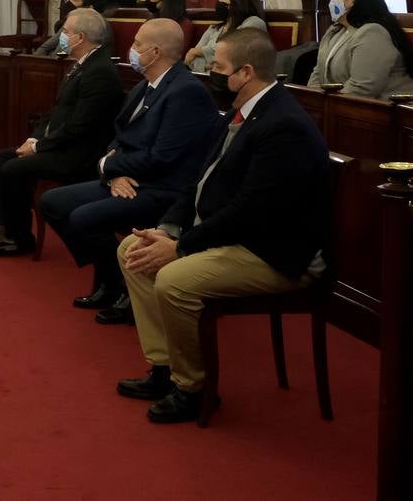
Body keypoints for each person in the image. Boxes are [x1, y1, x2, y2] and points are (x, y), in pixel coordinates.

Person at [117, 29, 329, 423]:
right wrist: (167, 228)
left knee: (174, 279)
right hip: (234, 235)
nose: (210, 73)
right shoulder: (240, 111)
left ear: (246, 72)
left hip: (274, 252)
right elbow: (199, 181)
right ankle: (164, 368)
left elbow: (251, 210)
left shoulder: (282, 125)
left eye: (218, 67)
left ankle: (193, 388)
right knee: (131, 251)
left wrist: (181, 247)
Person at [38, 18, 220, 325]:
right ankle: (114, 280)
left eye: (136, 44)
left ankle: (125, 288)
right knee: (52, 203)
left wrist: (110, 165)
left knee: (84, 218)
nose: (130, 49)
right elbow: (118, 137)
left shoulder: (185, 91)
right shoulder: (142, 86)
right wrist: (112, 173)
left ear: (156, 51)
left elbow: (162, 158)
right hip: (126, 179)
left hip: (162, 188)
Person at [0, 9, 125, 256]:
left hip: (78, 154)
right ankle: (7, 231)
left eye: (66, 32)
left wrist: (38, 148)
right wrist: (34, 138)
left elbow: (79, 127)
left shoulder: (100, 72)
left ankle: (19, 238)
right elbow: (56, 112)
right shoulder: (81, 64)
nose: (61, 36)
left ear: (80, 37)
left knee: (12, 168)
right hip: (59, 144)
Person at [308, 0, 413, 105]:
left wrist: (324, 104)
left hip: (400, 113)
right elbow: (318, 72)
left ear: (352, 1)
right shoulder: (336, 31)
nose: (333, 2)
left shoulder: (373, 33)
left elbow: (363, 88)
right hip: (350, 107)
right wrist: (313, 99)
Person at [184, 0, 266, 74]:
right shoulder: (214, 27)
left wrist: (199, 52)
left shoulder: (254, 22)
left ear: (238, 2)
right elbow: (191, 60)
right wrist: (213, 66)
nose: (219, 2)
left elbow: (233, 52)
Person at [34, 0, 114, 57]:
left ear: (89, 8)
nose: (69, 2)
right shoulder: (73, 20)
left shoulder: (99, 29)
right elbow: (45, 47)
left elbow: (73, 60)